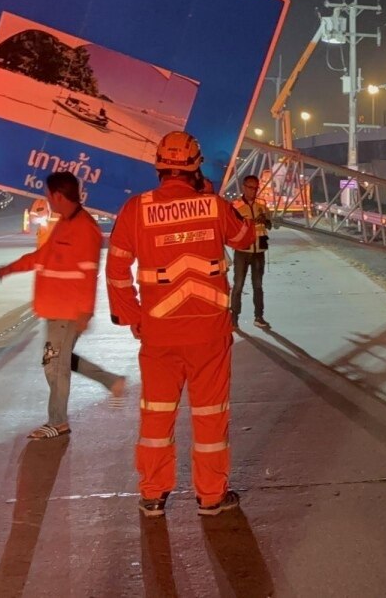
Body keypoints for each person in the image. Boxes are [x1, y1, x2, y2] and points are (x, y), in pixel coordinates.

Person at [106, 131, 254, 518]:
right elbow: (244, 237)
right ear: (196, 166)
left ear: (159, 166)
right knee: (209, 415)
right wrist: (214, 197)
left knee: (156, 415)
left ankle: (153, 494)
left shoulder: (135, 209)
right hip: (208, 332)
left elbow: (117, 268)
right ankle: (210, 496)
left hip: (159, 332)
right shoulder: (213, 205)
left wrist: (133, 317)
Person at [0, 172, 126, 439]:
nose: (47, 201)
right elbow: (42, 257)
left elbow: (89, 272)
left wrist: (85, 312)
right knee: (60, 360)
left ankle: (58, 421)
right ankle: (110, 381)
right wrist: (10, 268)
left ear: (57, 195)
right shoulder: (64, 223)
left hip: (68, 311)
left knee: (54, 364)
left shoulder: (85, 228)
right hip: (54, 308)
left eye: (48, 196)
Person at [231, 174, 273, 330]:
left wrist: (265, 220)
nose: (253, 191)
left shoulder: (262, 205)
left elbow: (269, 225)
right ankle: (234, 318)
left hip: (259, 251)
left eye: (256, 188)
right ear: (243, 187)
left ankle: (259, 316)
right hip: (242, 250)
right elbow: (232, 228)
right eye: (250, 187)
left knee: (258, 285)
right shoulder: (235, 206)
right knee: (238, 285)